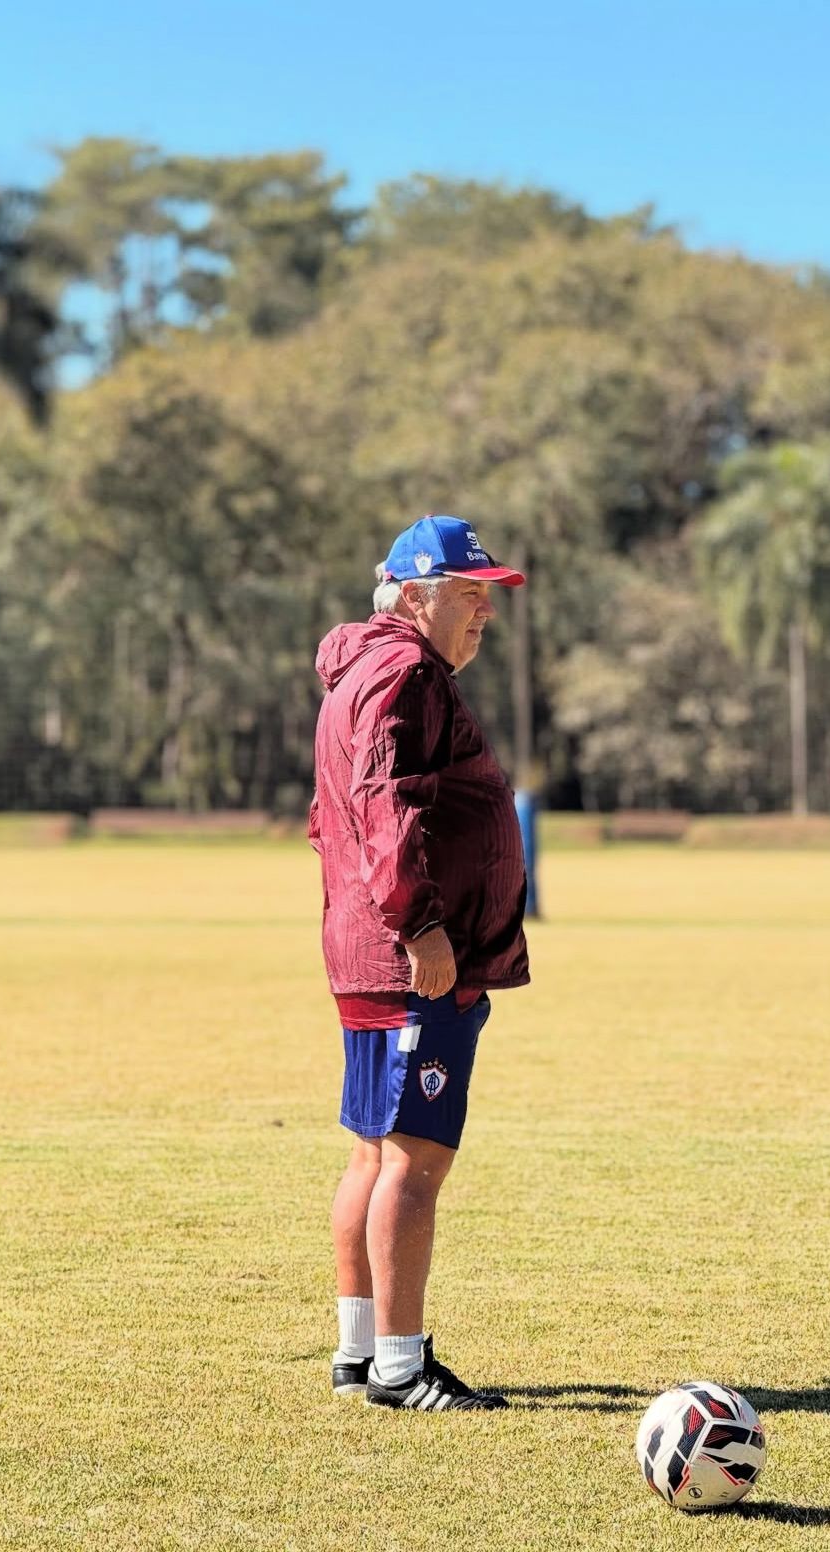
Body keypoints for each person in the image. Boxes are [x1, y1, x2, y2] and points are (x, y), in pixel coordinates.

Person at [309, 514, 530, 1411]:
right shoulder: (405, 674)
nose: (483, 614)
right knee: (415, 1162)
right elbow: (384, 804)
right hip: (411, 963)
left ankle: (358, 1351)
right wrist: (421, 927)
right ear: (412, 595)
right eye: (467, 595)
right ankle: (401, 1368)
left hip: (369, 954)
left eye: (488, 598)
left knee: (373, 1155)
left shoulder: (370, 669)